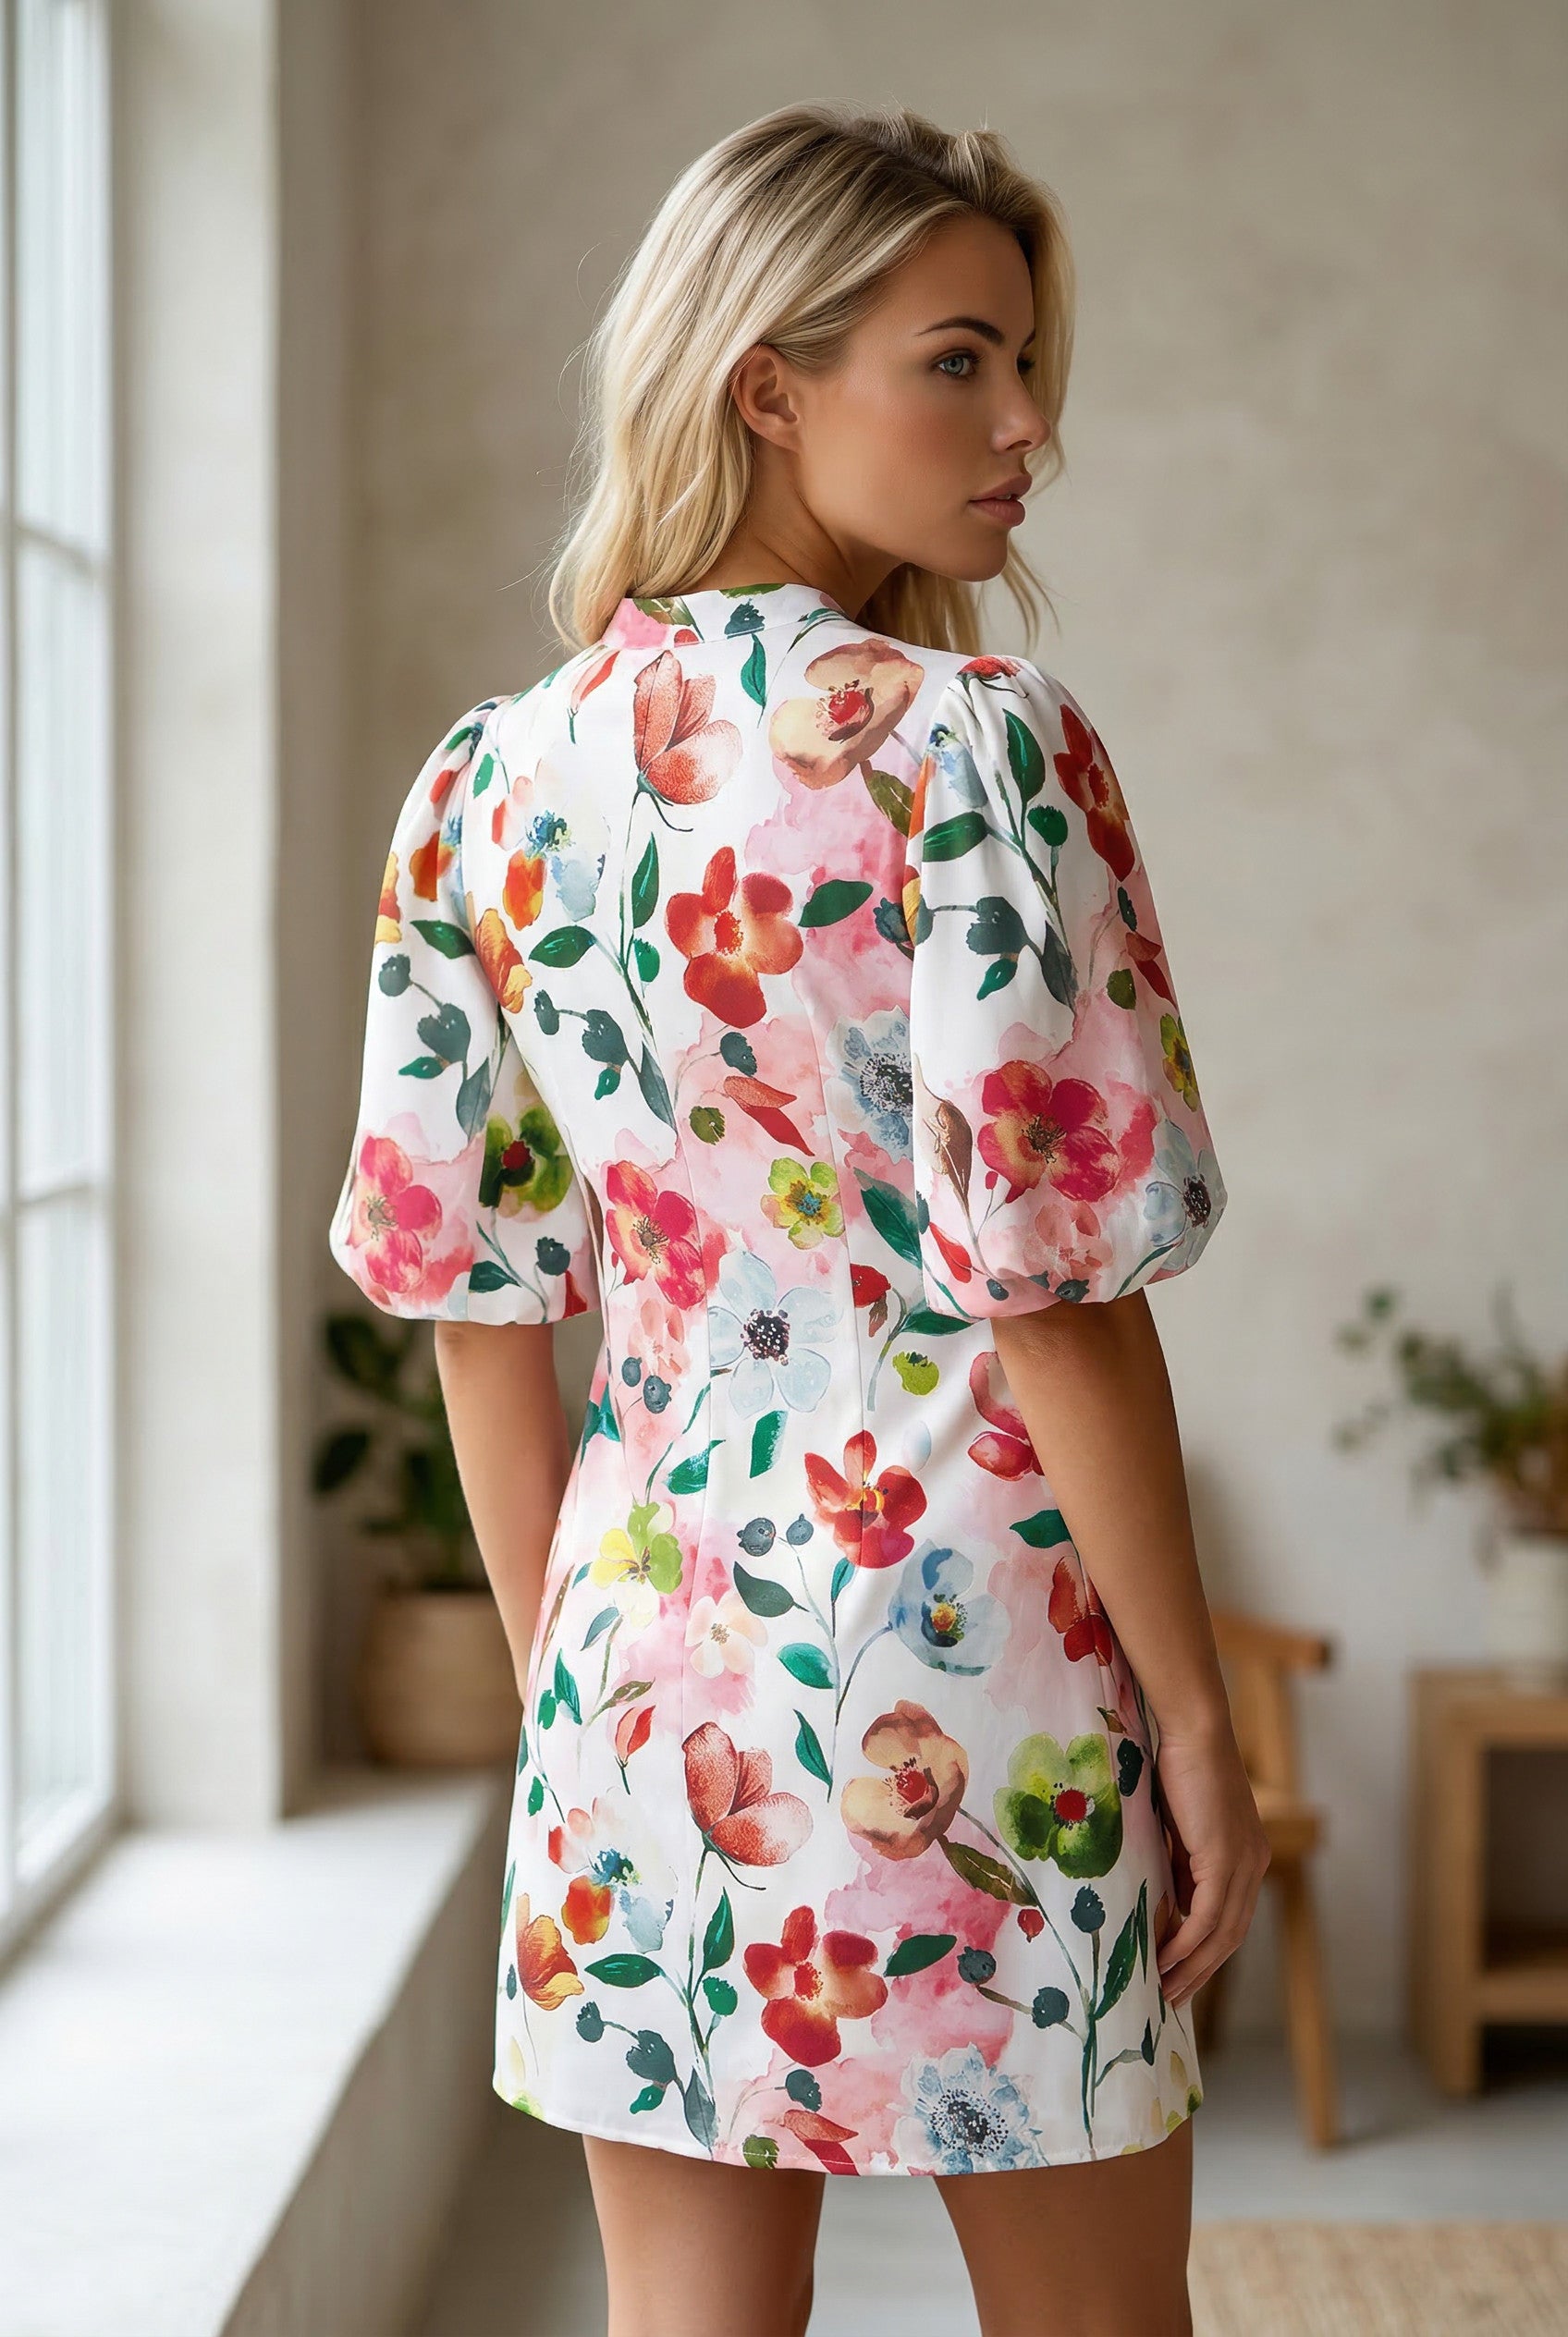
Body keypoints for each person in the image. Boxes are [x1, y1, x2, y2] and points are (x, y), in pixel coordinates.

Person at [327, 99, 1268, 2337]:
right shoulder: (974, 746)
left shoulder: (485, 783)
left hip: (636, 1665)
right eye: (959, 360)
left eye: (1024, 364)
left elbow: (473, 1300)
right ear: (765, 383)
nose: (1027, 425)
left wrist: (577, 1681)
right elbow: (1051, 1294)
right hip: (982, 1661)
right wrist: (1195, 1717)